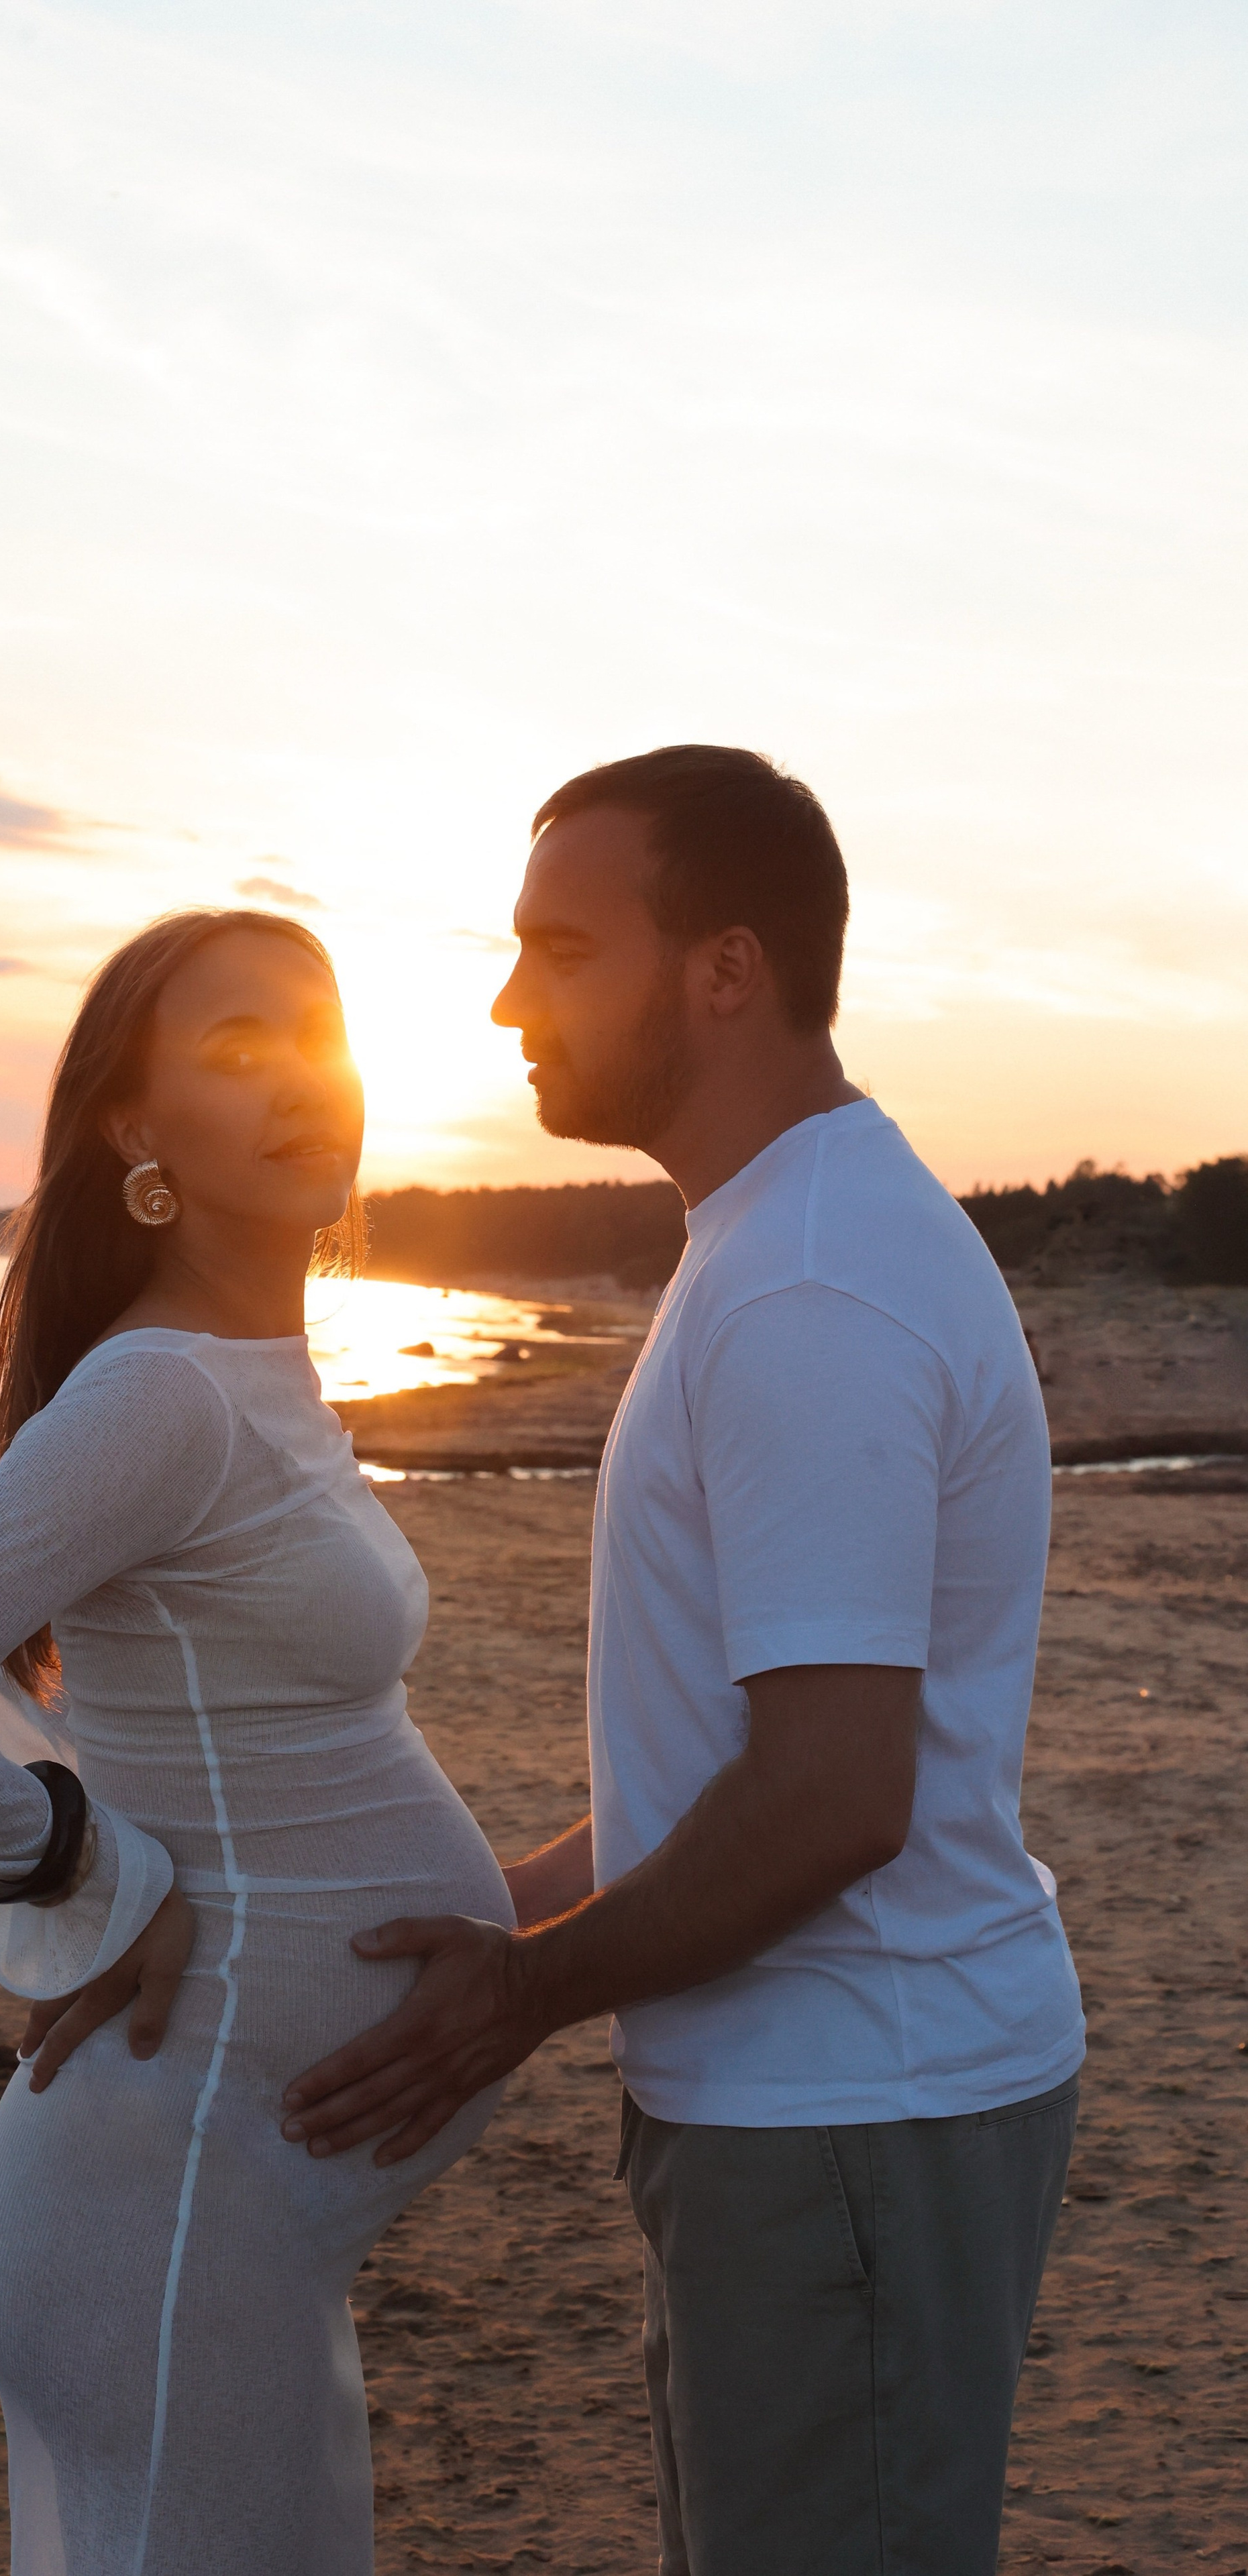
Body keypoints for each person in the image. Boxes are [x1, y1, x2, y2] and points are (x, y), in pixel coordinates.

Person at [281, 748, 1086, 2575]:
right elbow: (739, 1756)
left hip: (853, 2116)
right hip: (828, 2110)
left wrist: (518, 1994)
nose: (505, 1001)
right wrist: (511, 1900)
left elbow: (829, 1800)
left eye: (560, 948)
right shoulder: (778, 1242)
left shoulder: (809, 1285)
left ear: (723, 970)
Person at [0, 908, 514, 2575]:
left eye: (317, 1035)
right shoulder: (160, 1396)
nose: (298, 1079)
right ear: (132, 1125)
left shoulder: (254, 1380)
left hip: (233, 2208)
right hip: (160, 2205)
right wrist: (88, 1868)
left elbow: (193, 1720)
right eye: (234, 1047)